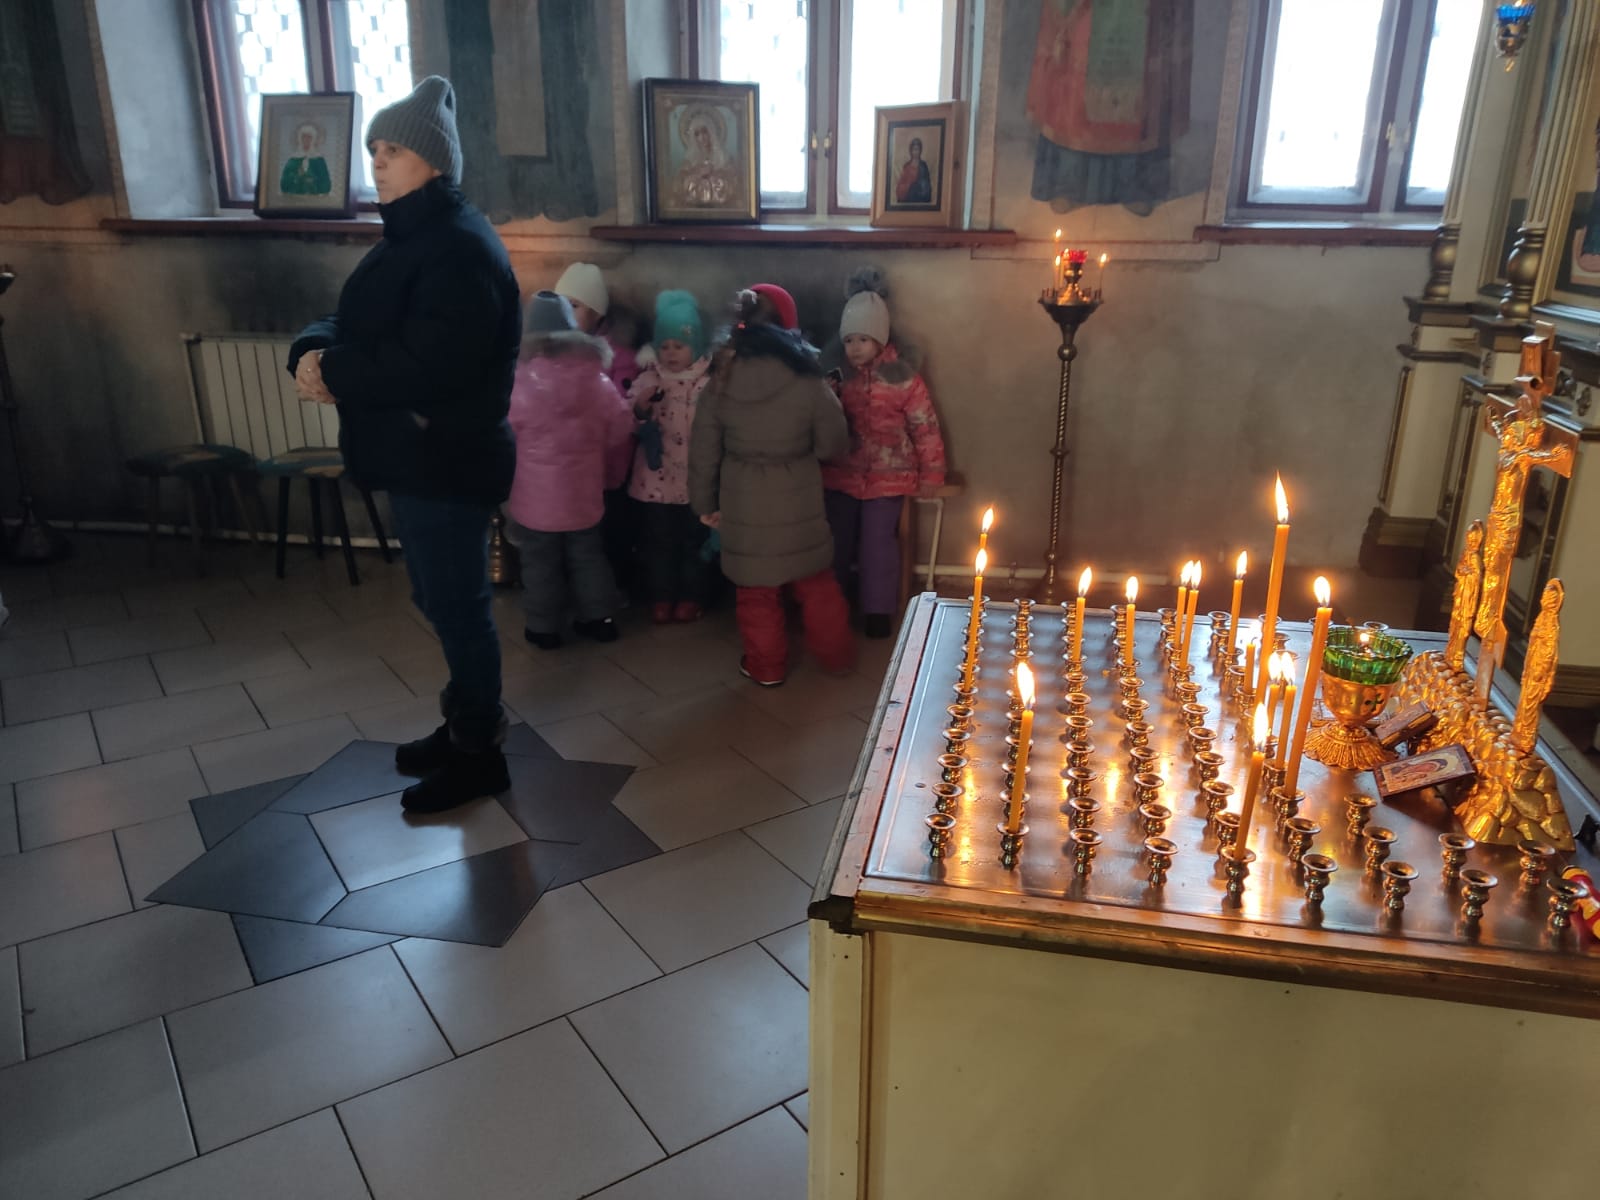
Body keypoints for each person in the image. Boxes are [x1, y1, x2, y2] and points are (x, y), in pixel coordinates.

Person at [287, 76, 521, 813]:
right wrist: (311, 351)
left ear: (435, 160)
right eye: (374, 149)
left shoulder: (457, 248)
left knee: (458, 607)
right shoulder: (411, 236)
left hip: (446, 459)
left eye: (393, 149)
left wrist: (335, 371)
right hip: (420, 458)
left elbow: (430, 364)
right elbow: (356, 319)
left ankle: (479, 755)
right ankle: (463, 726)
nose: (378, 161)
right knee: (439, 598)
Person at [689, 284, 855, 686]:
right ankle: (835, 656)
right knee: (816, 584)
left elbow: (703, 450)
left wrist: (703, 503)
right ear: (789, 326)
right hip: (798, 493)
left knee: (755, 593)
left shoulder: (720, 380)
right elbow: (834, 443)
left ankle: (766, 667)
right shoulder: (808, 377)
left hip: (742, 497)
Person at [505, 291, 634, 648]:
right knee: (588, 555)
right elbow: (621, 425)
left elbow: (506, 432)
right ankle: (599, 619)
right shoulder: (596, 379)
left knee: (539, 561)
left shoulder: (519, 382)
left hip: (535, 498)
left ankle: (543, 627)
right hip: (584, 492)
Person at [822, 269, 947, 639]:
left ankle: (877, 609)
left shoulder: (902, 377)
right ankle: (832, 605)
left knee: (878, 545)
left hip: (889, 476)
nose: (855, 347)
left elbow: (925, 426)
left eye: (863, 339)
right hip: (841, 473)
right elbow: (818, 419)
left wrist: (932, 473)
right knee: (836, 542)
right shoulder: (836, 377)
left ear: (880, 338)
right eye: (849, 340)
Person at [629, 290, 713, 624]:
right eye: (664, 346)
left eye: (679, 345)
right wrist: (640, 409)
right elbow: (627, 416)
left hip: (696, 481)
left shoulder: (708, 383)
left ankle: (692, 596)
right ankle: (661, 596)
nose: (671, 353)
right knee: (660, 543)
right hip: (657, 482)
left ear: (696, 345)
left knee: (695, 542)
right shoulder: (648, 379)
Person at [279, 122, 332, 196]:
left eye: (309, 137)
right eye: (304, 137)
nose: (306, 140)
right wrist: (296, 176)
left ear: (313, 139)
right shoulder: (293, 159)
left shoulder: (319, 160)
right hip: (296, 198)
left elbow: (326, 184)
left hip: (314, 198)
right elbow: (284, 184)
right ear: (299, 139)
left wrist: (313, 180)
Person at [894, 137, 933, 204]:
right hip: (908, 198)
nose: (915, 152)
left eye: (917, 149)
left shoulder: (923, 166)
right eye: (914, 149)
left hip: (920, 198)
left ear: (920, 151)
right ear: (911, 151)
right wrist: (907, 186)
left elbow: (927, 185)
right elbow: (902, 183)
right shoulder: (906, 166)